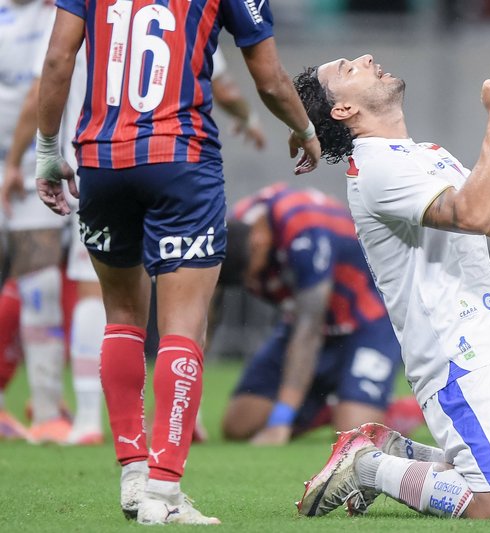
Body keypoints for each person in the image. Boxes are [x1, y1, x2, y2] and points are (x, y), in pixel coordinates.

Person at [35, 0, 320, 526]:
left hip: (101, 158)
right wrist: (304, 129)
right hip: (180, 161)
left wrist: (48, 150)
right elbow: (269, 77)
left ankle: (133, 475)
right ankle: (163, 492)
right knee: (183, 326)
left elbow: (57, 59)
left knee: (121, 316)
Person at [292, 55, 490, 519]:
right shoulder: (376, 167)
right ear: (342, 110)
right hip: (455, 352)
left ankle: (400, 454)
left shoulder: (428, 155)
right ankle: (369, 466)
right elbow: (473, 216)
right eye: (348, 68)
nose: (366, 59)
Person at [1, 45, 267, 446]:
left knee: (101, 295)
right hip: (176, 164)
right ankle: (176, 416)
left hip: (96, 162)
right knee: (187, 293)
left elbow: (50, 75)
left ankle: (85, 418)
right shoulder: (185, 10)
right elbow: (226, 86)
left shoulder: (89, 11)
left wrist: (23, 158)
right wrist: (249, 118)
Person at [217, 183, 420, 445]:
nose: (253, 282)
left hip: (366, 321)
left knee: (354, 433)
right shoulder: (233, 230)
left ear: (259, 241)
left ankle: (400, 409)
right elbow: (208, 305)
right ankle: (327, 405)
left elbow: (309, 329)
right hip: (307, 319)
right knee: (238, 425)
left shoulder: (304, 231)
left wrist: (281, 420)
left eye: (250, 274)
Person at [0, 0, 70, 443]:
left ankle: (46, 411)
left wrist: (14, 162)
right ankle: (45, 413)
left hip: (28, 163)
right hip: (17, 161)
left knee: (40, 280)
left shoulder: (60, 13)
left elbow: (44, 83)